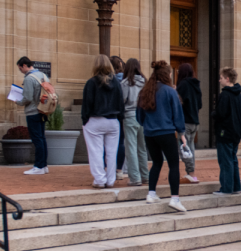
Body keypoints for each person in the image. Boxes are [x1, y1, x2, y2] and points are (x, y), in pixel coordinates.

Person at [137, 60, 188, 212]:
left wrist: (147, 125)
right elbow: (177, 114)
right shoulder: (170, 91)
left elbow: (139, 116)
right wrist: (181, 133)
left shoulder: (145, 91)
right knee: (173, 164)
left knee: (157, 162)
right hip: (166, 132)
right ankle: (175, 198)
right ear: (167, 75)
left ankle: (151, 193)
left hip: (149, 133)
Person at [80, 54, 125, 189]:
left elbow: (87, 104)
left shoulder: (91, 82)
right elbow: (121, 104)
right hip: (113, 121)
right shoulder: (116, 83)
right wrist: (120, 119)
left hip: (95, 120)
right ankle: (110, 180)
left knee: (96, 151)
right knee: (112, 152)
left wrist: (85, 120)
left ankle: (100, 179)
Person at [213, 67, 241, 195]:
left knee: (225, 160)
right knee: (233, 159)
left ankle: (226, 188)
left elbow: (221, 113)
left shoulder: (225, 94)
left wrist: (213, 114)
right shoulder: (240, 96)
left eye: (221, 78)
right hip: (236, 132)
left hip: (225, 132)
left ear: (227, 79)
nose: (219, 80)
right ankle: (236, 186)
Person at [16, 56, 49, 175]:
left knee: (37, 139)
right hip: (43, 110)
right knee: (42, 138)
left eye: (20, 69)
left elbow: (28, 98)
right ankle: (44, 165)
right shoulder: (43, 75)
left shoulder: (29, 78)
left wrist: (17, 101)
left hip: (33, 111)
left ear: (24, 65)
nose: (21, 71)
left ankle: (38, 166)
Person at [119, 58, 148, 186]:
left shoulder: (125, 83)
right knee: (142, 148)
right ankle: (145, 175)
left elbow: (122, 101)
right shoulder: (145, 82)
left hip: (130, 116)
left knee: (131, 148)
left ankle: (135, 178)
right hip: (143, 117)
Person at [176, 63, 202, 183]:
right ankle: (191, 173)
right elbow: (200, 104)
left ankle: (190, 173)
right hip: (195, 121)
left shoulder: (183, 85)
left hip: (185, 121)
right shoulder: (196, 84)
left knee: (184, 147)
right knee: (190, 147)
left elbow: (179, 103)